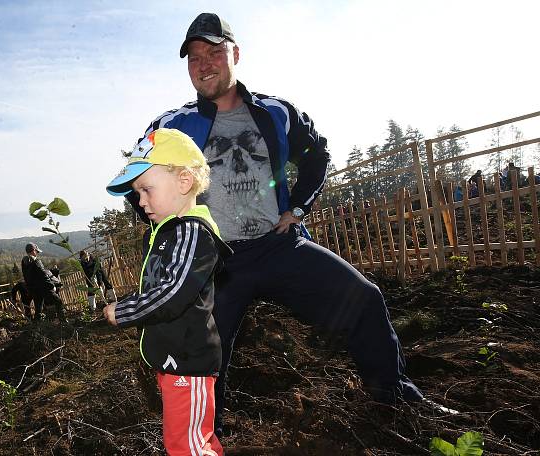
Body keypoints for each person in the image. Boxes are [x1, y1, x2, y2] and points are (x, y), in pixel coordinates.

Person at [139, 12, 439, 435]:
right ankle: (205, 438)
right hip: (215, 263)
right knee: (201, 356)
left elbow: (317, 156)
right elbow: (140, 183)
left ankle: (395, 399)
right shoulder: (171, 127)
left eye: (214, 52)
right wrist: (179, 240)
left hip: (279, 245)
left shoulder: (276, 113)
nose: (204, 64)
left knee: (365, 300)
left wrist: (296, 208)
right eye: (193, 57)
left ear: (235, 54)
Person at [104, 128, 230, 456]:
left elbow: (172, 292)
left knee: (186, 447)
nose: (141, 202)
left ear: (184, 182)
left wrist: (125, 310)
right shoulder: (171, 231)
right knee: (193, 439)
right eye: (137, 193)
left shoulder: (191, 232)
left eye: (146, 190)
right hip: (176, 360)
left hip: (190, 362)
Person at [21, 243, 67, 323]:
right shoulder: (37, 261)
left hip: (34, 290)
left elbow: (26, 277)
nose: (37, 253)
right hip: (44, 288)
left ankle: (37, 326)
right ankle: (63, 321)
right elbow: (43, 275)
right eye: (37, 251)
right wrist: (51, 286)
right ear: (34, 251)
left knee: (38, 309)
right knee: (58, 301)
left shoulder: (24, 263)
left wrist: (30, 289)